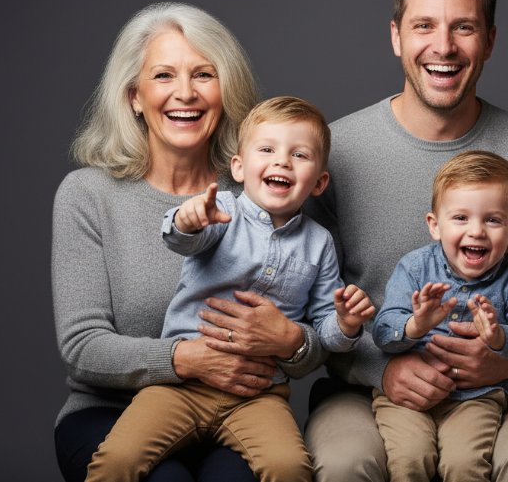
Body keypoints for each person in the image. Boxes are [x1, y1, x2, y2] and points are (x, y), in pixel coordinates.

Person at [303, 0, 508, 481]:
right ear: (397, 36)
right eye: (424, 25)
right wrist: (383, 368)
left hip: (499, 391)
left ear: (489, 40)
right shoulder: (336, 152)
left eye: (463, 27)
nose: (443, 46)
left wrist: (507, 360)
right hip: (364, 388)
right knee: (345, 463)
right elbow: (307, 296)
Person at [52, 4, 325, 482]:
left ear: (226, 91)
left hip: (239, 409)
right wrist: (186, 359)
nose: (185, 93)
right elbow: (82, 345)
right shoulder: (87, 195)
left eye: (204, 74)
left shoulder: (265, 190)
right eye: (164, 75)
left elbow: (314, 332)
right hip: (111, 410)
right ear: (134, 97)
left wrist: (291, 341)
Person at [85, 96, 376, 482]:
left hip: (259, 395)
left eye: (299, 155)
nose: (282, 162)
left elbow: (324, 332)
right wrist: (187, 220)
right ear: (239, 167)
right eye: (267, 150)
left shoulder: (319, 243)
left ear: (319, 182)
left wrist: (346, 324)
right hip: (180, 387)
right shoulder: (222, 211)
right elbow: (183, 239)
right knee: (118, 459)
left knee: (289, 467)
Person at [371, 150, 508, 481]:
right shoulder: (414, 268)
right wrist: (415, 325)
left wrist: (501, 337)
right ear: (435, 226)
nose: (476, 231)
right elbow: (382, 332)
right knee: (409, 459)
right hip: (407, 397)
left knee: (464, 465)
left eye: (493, 220)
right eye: (461, 218)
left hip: (477, 398)